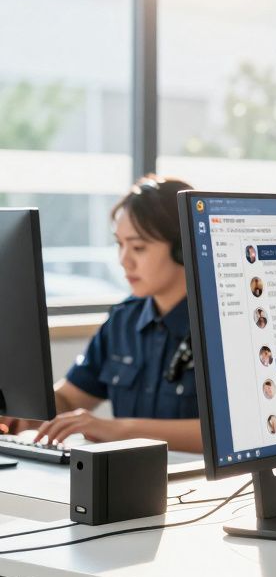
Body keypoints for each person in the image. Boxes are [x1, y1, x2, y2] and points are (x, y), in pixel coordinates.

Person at [0, 176, 204, 453]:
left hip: (201, 484)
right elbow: (69, 399)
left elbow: (227, 435)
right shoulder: (123, 320)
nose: (123, 260)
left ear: (183, 247)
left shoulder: (221, 323)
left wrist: (116, 430)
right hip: (132, 479)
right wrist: (22, 413)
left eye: (138, 247)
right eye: (119, 244)